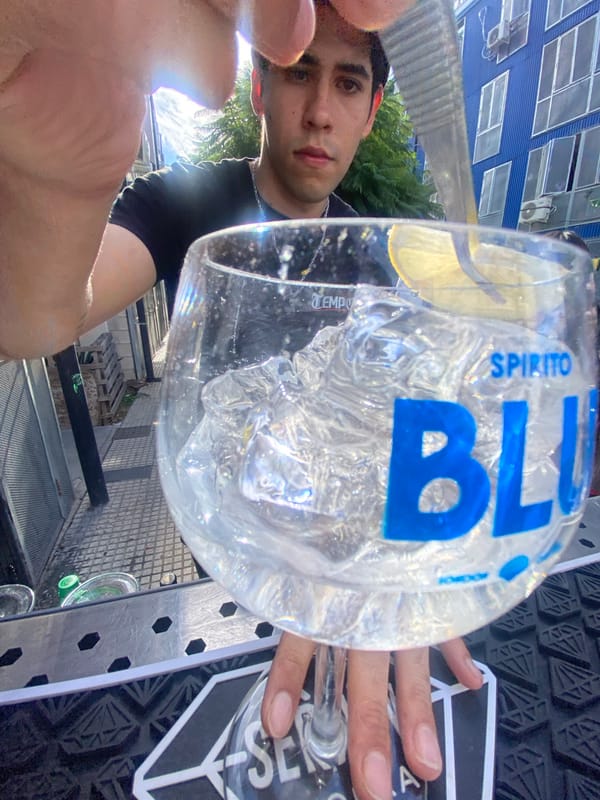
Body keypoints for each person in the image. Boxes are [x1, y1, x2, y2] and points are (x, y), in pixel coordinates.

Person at [0, 2, 482, 798]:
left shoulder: (375, 257)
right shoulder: (185, 206)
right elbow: (38, 315)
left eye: (347, 84)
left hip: (340, 574)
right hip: (221, 584)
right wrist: (41, 196)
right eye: (299, 74)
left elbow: (399, 434)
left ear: (371, 112)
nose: (319, 111)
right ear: (259, 88)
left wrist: (398, 569)